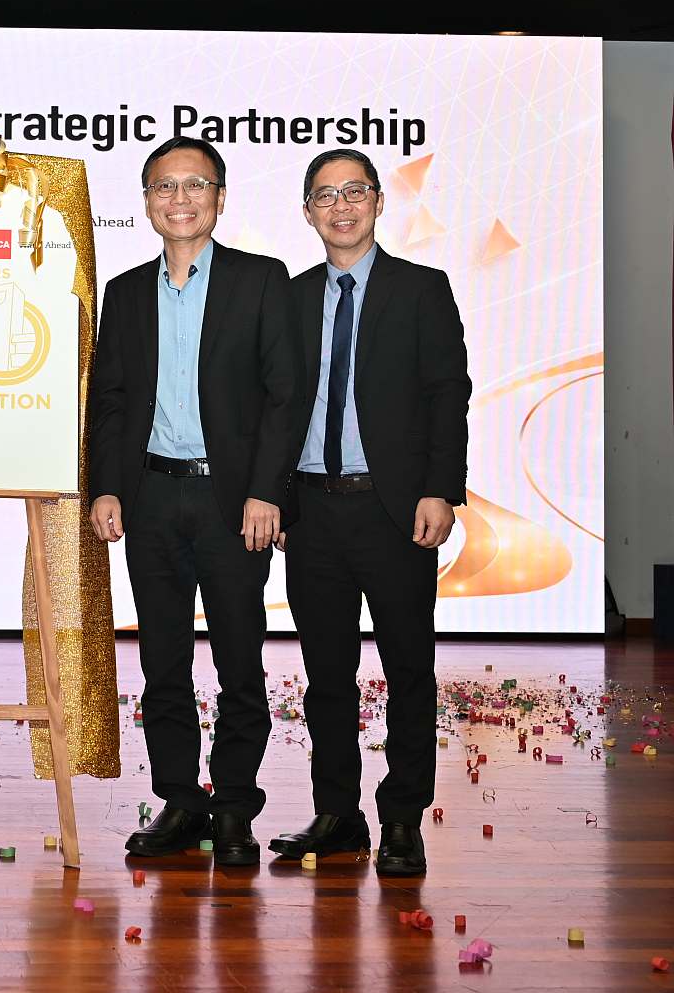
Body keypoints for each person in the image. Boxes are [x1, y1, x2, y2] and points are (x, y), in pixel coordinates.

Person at [87, 137, 302, 867]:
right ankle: (180, 800)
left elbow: (283, 399)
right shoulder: (122, 292)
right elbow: (109, 403)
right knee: (163, 664)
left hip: (231, 502)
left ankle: (235, 806)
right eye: (163, 187)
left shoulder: (260, 281)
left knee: (240, 660)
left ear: (219, 198)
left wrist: (264, 492)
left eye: (194, 186)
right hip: (149, 497)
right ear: (146, 201)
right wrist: (107, 486)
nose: (178, 200)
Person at [267, 149, 470, 876]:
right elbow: (274, 407)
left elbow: (448, 391)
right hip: (312, 514)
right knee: (326, 675)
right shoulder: (288, 299)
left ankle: (402, 818)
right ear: (307, 212)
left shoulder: (421, 289)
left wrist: (440, 490)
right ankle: (338, 814)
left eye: (354, 192)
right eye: (325, 196)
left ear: (379, 202)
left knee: (408, 669)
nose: (341, 206)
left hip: (395, 513)